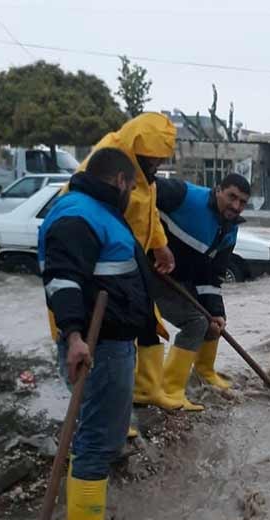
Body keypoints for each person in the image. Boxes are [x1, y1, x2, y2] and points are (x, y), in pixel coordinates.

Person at [37, 148, 153, 520]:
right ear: (120, 181)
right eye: (133, 187)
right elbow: (62, 278)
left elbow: (115, 270)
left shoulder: (99, 212)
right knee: (94, 440)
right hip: (95, 345)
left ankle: (92, 518)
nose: (133, 194)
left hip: (113, 342)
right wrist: (73, 337)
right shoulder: (77, 213)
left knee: (105, 433)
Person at [75, 113, 182, 421]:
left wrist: (161, 246)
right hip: (107, 269)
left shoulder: (143, 173)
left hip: (135, 263)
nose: (157, 166)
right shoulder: (106, 165)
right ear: (137, 149)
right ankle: (113, 418)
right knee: (117, 337)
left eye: (161, 160)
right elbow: (85, 221)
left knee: (148, 322)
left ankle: (147, 390)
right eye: (153, 160)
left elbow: (148, 213)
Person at [152, 173, 250, 410]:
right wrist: (157, 245)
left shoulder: (229, 231)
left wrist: (216, 313)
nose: (236, 206)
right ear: (217, 190)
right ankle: (170, 389)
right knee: (196, 322)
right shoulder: (184, 196)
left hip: (180, 280)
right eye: (231, 197)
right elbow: (143, 187)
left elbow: (212, 276)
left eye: (242, 202)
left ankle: (204, 372)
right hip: (149, 272)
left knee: (213, 323)